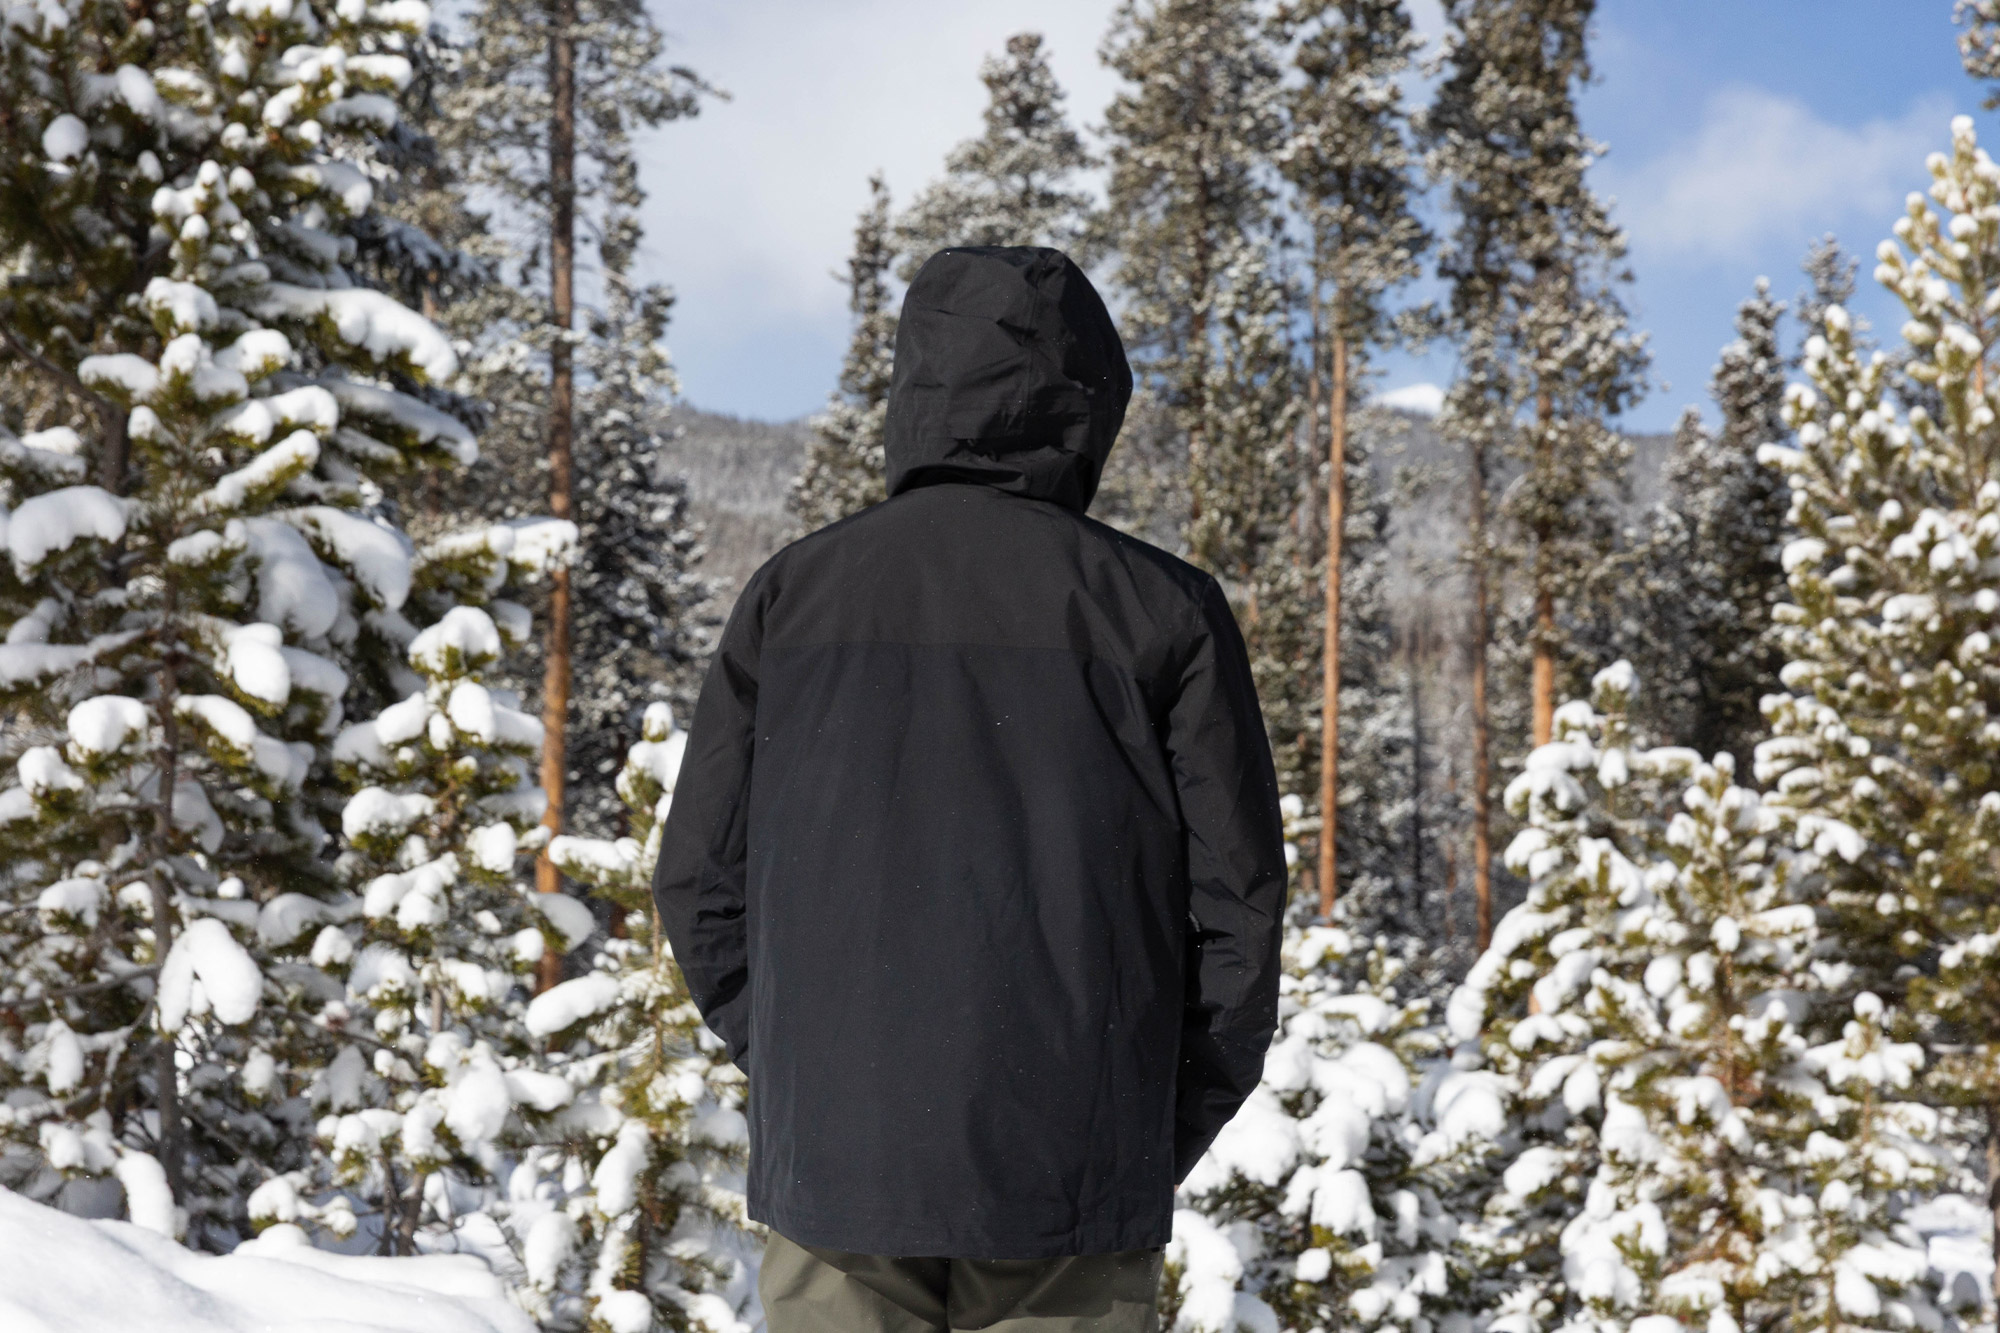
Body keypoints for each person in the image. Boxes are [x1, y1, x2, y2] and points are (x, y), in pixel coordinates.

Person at [653, 245, 1286, 1333]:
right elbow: (1239, 912)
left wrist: (809, 1064)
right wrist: (1145, 1117)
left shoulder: (792, 596)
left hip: (842, 1160)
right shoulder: (1162, 608)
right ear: (1089, 401)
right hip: (1074, 1162)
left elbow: (699, 882)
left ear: (914, 394)